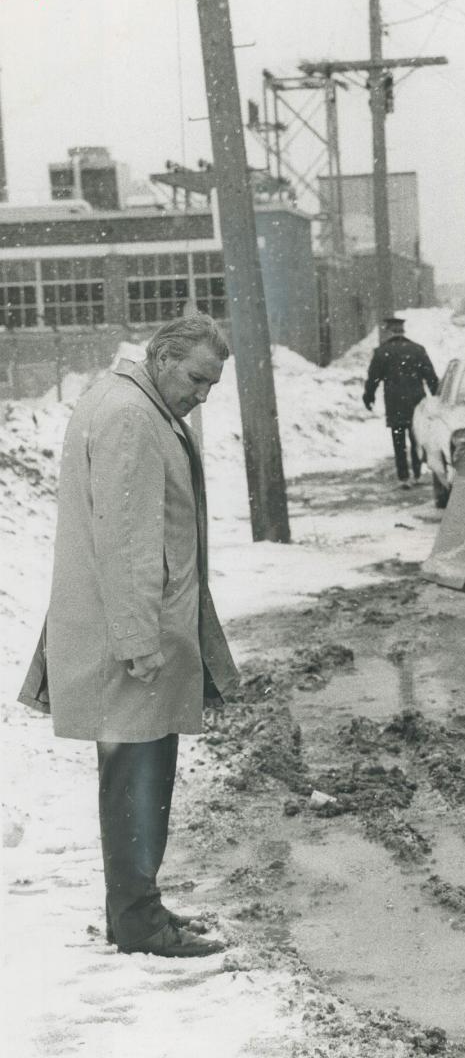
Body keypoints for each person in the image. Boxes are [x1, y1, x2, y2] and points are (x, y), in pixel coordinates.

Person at [18, 315, 241, 958]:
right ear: (163, 358)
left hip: (136, 621)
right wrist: (138, 638)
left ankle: (135, 910)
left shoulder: (129, 400)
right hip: (136, 633)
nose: (203, 394)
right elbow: (126, 537)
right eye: (198, 379)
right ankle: (141, 925)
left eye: (213, 384)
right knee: (138, 777)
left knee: (135, 775)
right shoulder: (130, 416)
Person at [363, 316, 439, 488]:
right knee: (416, 439)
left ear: (389, 331)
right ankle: (418, 474)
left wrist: (369, 397)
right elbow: (431, 377)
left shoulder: (382, 352)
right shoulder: (417, 350)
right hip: (416, 401)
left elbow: (373, 379)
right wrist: (436, 396)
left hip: (394, 401)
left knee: (398, 440)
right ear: (403, 331)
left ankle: (403, 477)